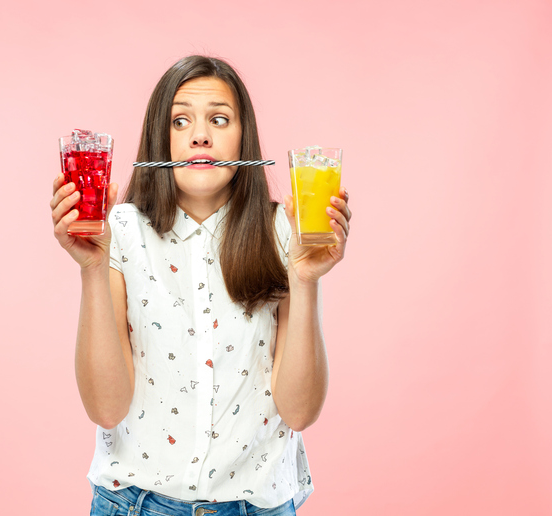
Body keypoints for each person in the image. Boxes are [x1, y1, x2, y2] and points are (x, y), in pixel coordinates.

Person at [50, 55, 352, 516]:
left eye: (219, 118)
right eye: (180, 120)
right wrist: (92, 268)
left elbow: (299, 413)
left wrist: (306, 280)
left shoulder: (285, 232)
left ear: (242, 137)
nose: (200, 135)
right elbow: (105, 409)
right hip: (133, 505)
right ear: (160, 138)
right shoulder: (120, 232)